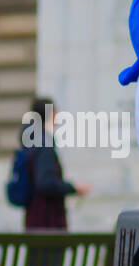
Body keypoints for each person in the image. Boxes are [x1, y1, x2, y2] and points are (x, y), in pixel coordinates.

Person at [22, 95, 89, 230]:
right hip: (48, 221)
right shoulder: (43, 144)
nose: (57, 115)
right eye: (54, 111)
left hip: (34, 218)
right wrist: (73, 188)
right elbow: (45, 183)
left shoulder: (31, 140)